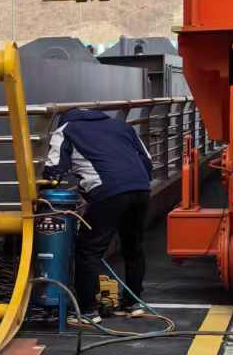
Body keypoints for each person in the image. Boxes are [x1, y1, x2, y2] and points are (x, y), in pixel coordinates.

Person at [45, 108, 154, 326]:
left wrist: (52, 183)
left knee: (88, 250)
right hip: (141, 187)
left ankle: (87, 311)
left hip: (109, 191)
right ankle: (133, 303)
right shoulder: (122, 126)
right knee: (133, 247)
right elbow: (147, 161)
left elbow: (54, 169)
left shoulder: (66, 129)